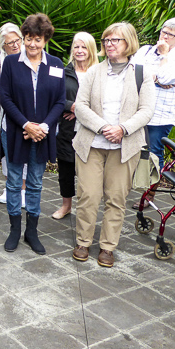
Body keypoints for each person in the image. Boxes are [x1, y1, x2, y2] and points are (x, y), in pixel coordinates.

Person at [72, 22, 154, 267]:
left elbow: (147, 110)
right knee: (88, 195)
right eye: (106, 40)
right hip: (91, 144)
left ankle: (107, 247)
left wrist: (123, 129)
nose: (109, 44)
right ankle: (83, 242)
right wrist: (103, 127)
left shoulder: (142, 73)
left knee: (116, 199)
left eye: (114, 40)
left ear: (128, 42)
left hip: (124, 147)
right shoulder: (94, 72)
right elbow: (81, 105)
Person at [0, 13, 65, 255]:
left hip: (43, 133)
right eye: (28, 38)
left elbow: (59, 101)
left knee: (35, 183)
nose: (32, 44)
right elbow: (5, 97)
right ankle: (15, 230)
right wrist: (27, 124)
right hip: (16, 131)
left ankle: (32, 232)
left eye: (38, 39)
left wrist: (43, 127)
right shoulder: (11, 63)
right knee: (15, 182)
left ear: (46, 39)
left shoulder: (56, 65)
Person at [131, 18, 175, 172]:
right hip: (137, 109)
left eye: (171, 35)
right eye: (164, 32)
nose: (165, 36)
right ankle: (130, 185)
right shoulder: (145, 50)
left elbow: (165, 78)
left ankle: (150, 193)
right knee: (132, 150)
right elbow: (131, 73)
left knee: (154, 153)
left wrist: (164, 55)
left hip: (160, 115)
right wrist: (156, 79)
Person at [52, 32, 99, 219]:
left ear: (91, 49)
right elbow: (53, 97)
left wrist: (79, 110)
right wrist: (70, 106)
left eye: (84, 47)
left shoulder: (100, 72)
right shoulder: (62, 72)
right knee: (66, 170)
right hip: (67, 130)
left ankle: (87, 209)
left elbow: (106, 101)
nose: (79, 51)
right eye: (76, 47)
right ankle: (66, 206)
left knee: (89, 173)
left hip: (92, 131)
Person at [0, 23, 27, 207]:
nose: (14, 45)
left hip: (28, 113)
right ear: (2, 45)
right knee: (6, 149)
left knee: (26, 151)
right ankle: (10, 187)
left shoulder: (31, 56)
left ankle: (24, 189)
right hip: (5, 112)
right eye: (9, 42)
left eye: (17, 40)